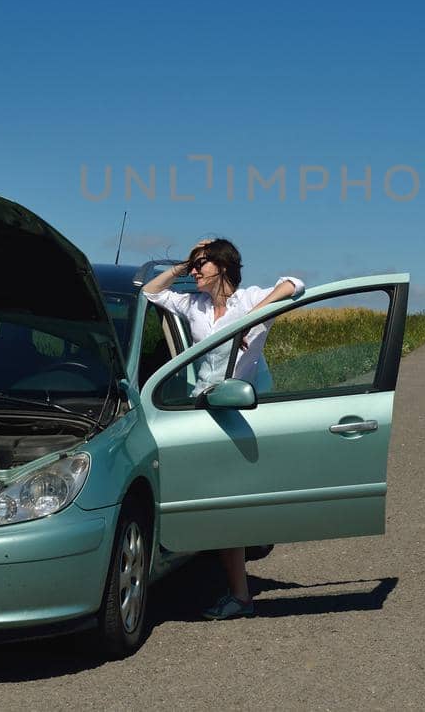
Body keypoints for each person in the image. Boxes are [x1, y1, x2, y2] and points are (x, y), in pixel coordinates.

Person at [142, 238, 304, 620]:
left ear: (224, 267)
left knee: (230, 502)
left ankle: (239, 595)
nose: (195, 271)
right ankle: (236, 589)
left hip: (244, 410)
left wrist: (251, 320)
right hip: (204, 410)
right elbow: (150, 292)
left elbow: (295, 284)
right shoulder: (193, 305)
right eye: (194, 265)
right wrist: (182, 265)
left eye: (202, 265)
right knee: (221, 502)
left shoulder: (249, 301)